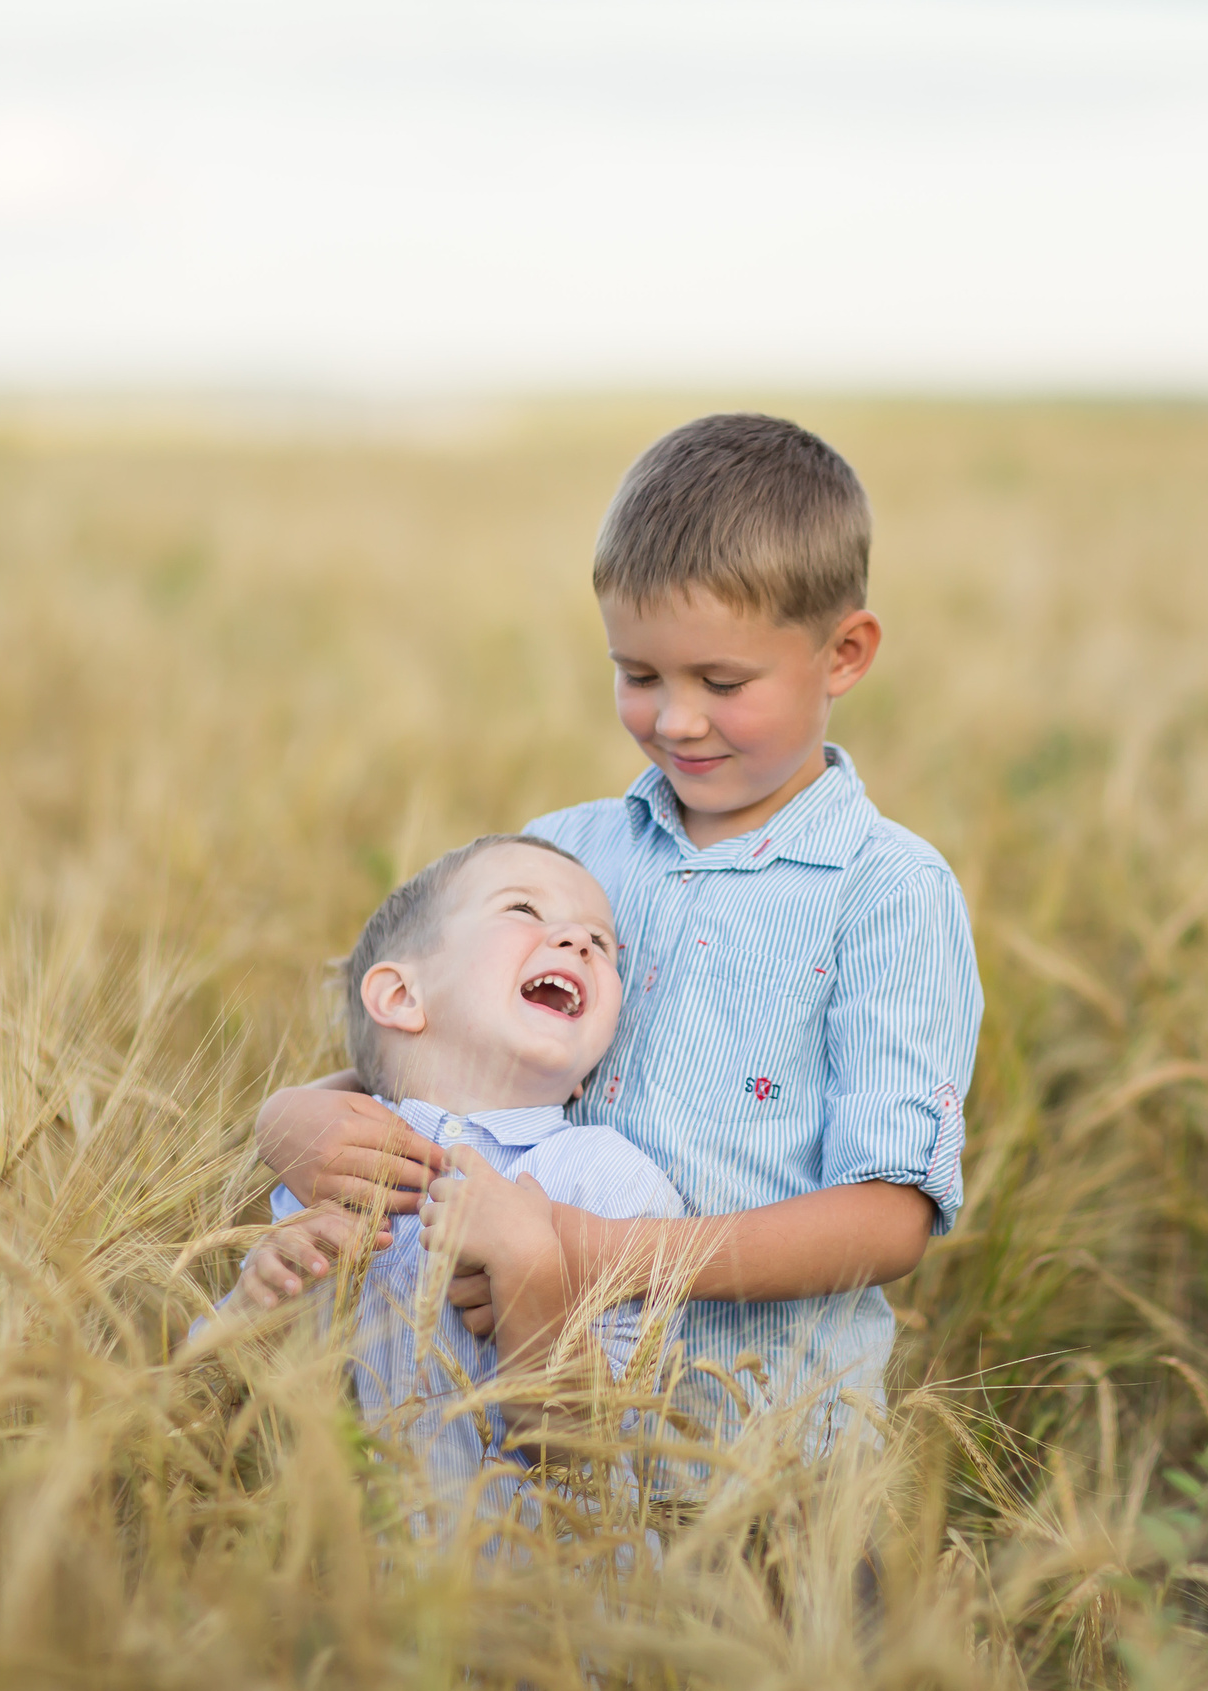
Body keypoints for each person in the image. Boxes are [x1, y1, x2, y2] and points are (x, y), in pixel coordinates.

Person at [253, 412, 984, 1450]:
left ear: (844, 654)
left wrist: (585, 1252)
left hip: (761, 1451)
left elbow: (887, 1217)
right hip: (512, 1447)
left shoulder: (886, 892)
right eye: (639, 675)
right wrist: (297, 1119)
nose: (674, 719)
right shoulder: (560, 861)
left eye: (722, 684)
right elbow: (438, 1063)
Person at [214, 833, 684, 1509]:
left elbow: (593, 1453)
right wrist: (262, 1298)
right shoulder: (332, 1165)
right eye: (524, 908)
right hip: (351, 1591)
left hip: (543, 1602)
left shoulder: (611, 1181)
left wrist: (530, 1271)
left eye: (602, 944)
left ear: (588, 1074)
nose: (580, 941)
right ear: (402, 995)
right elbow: (222, 1404)